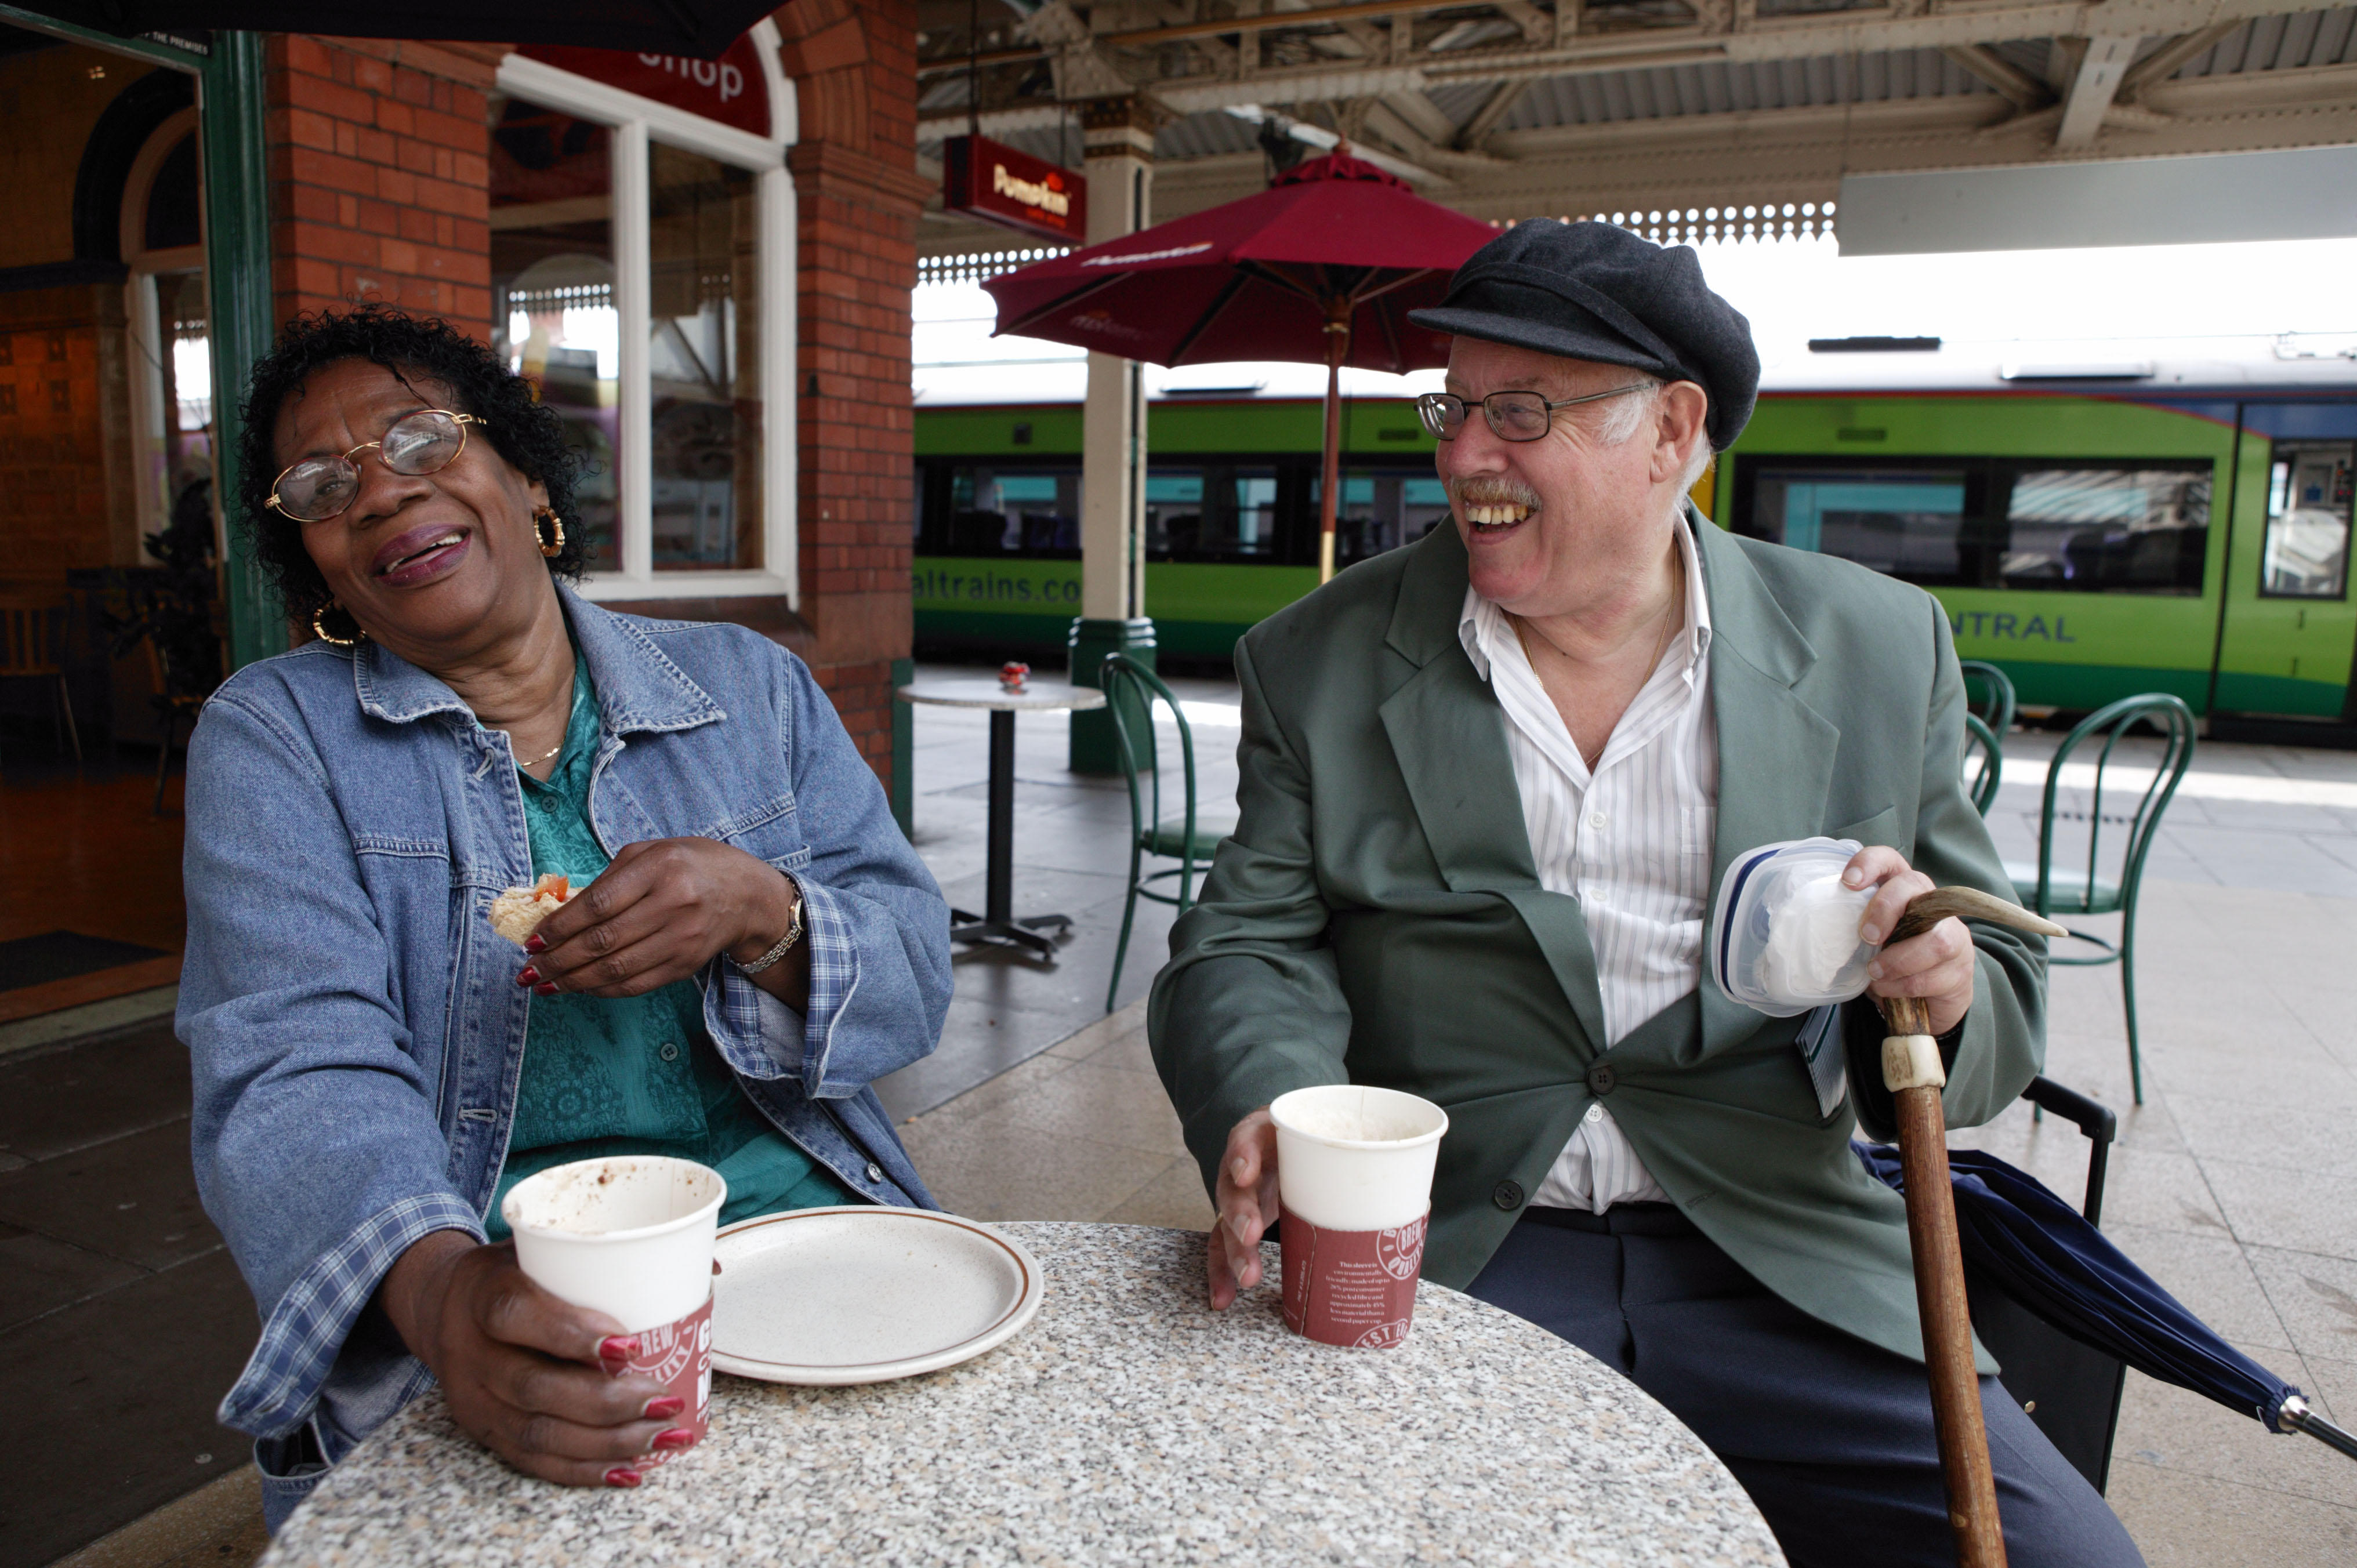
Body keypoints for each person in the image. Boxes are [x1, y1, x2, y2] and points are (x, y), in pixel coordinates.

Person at [1148, 223, 2144, 1567]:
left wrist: (1947, 982)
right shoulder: (1316, 658)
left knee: (2074, 1562)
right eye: (1452, 407)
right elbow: (1246, 945)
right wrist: (1268, 1099)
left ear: (1672, 431)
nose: (1461, 455)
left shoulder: (1874, 644)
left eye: (1520, 412)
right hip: (1461, 1245)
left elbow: (1994, 1013)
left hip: (1780, 1251)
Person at [179, 307, 951, 1528]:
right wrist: (442, 1303)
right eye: (323, 483)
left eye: (423, 439)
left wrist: (764, 910)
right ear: (316, 562)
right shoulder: (277, 737)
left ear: (527, 473)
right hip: (506, 1296)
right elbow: (289, 1068)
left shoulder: (750, 688)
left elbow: (916, 975)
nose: (380, 491)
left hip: (797, 1249)